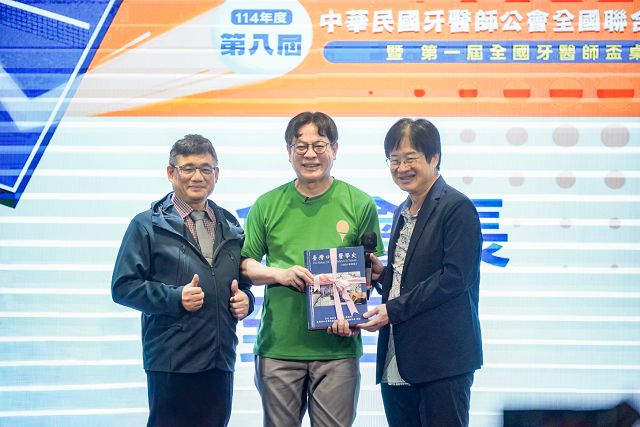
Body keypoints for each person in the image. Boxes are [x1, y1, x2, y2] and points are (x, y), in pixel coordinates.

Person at [240, 111, 383, 427]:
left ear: (335, 149)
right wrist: (279, 274)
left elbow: (369, 273)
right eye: (300, 146)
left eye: (319, 145)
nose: (310, 154)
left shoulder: (360, 203)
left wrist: (353, 312)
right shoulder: (267, 204)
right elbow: (245, 265)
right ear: (288, 151)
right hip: (279, 347)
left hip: (337, 348)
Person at [111, 134, 254, 427]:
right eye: (188, 168)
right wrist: (175, 298)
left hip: (219, 359)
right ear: (171, 172)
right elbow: (123, 286)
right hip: (172, 361)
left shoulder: (229, 223)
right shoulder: (147, 224)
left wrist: (247, 301)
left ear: (217, 174)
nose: (197, 176)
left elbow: (241, 282)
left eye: (206, 168)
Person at [357, 118, 483, 426]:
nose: (402, 168)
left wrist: (392, 310)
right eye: (394, 160)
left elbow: (454, 278)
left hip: (442, 362)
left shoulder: (457, 207)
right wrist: (383, 276)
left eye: (410, 158)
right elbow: (412, 276)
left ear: (434, 157)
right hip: (398, 357)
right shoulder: (402, 211)